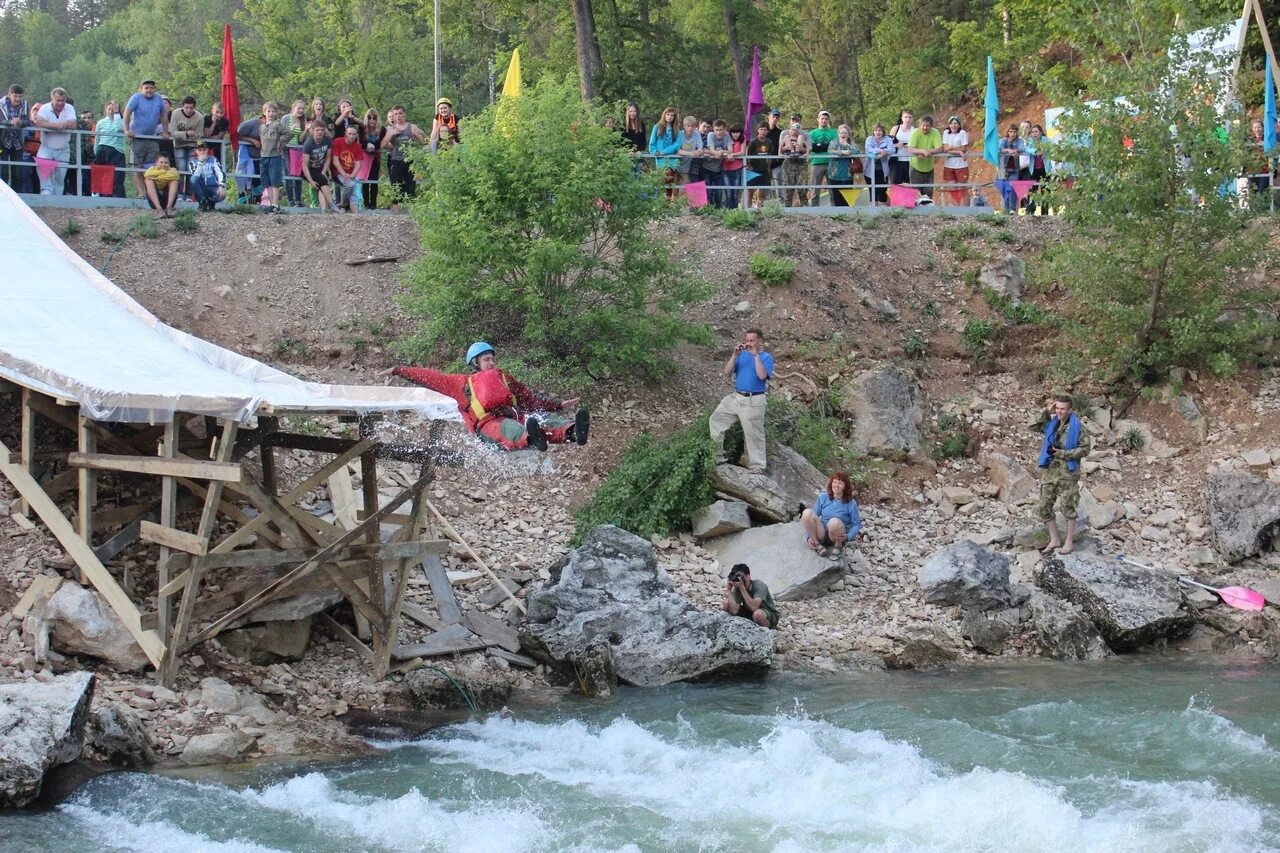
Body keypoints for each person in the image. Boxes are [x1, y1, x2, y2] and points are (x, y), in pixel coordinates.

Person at [377, 342, 589, 452]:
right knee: (511, 428)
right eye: (486, 359)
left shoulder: (504, 378)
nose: (491, 363)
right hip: (489, 428)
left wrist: (558, 405)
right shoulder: (460, 384)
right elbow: (430, 377)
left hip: (515, 418)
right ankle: (532, 438)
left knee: (544, 419)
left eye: (492, 359)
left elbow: (529, 400)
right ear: (475, 363)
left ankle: (572, 432)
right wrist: (398, 370)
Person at [709, 328, 773, 472]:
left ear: (760, 341)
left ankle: (757, 466)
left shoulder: (766, 357)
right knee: (716, 420)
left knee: (753, 434)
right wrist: (734, 355)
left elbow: (762, 376)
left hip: (754, 400)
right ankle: (718, 457)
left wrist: (755, 355)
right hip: (736, 397)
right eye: (747, 340)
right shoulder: (741, 356)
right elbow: (726, 372)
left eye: (752, 340)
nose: (749, 343)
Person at [1037, 395, 1089, 554]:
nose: (1059, 411)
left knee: (1068, 508)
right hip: (1051, 472)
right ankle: (1054, 539)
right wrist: (1047, 411)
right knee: (1044, 507)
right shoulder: (1052, 424)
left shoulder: (1078, 427)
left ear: (1070, 410)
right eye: (1057, 408)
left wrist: (1063, 453)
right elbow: (1033, 425)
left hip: (1067, 474)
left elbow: (1085, 449)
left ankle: (1069, 542)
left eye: (1062, 409)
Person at [123, 78, 169, 198]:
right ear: (141, 89)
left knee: (152, 166)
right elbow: (127, 112)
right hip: (137, 137)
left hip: (152, 137)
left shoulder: (158, 98)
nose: (149, 90)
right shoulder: (136, 97)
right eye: (146, 88)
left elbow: (164, 114)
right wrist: (127, 130)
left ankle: (151, 192)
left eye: (151, 88)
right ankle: (141, 193)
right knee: (137, 165)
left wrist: (165, 132)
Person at [801, 472, 862, 559]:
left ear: (845, 486)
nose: (836, 485)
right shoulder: (823, 498)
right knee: (807, 512)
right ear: (831, 483)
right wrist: (808, 537)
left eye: (840, 483)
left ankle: (838, 547)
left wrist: (848, 536)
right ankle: (817, 544)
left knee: (834, 521)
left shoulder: (851, 503)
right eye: (835, 482)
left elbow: (856, 524)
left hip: (836, 536)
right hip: (821, 533)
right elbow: (811, 519)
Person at [33, 87, 76, 195]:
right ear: (52, 98)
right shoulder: (44, 108)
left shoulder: (69, 108)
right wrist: (58, 126)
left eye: (63, 101)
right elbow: (39, 123)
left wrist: (50, 126)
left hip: (63, 149)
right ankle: (45, 199)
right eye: (58, 100)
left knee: (60, 177)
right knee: (44, 176)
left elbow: (73, 124)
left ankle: (58, 203)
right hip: (46, 148)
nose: (61, 103)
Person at [382, 104, 426, 206]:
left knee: (411, 187)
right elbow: (383, 144)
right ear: (393, 115)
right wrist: (392, 135)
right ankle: (396, 216)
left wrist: (418, 136)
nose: (398, 116)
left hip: (410, 160)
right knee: (396, 188)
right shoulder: (391, 128)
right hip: (396, 160)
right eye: (396, 114)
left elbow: (424, 141)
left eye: (400, 113)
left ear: (404, 114)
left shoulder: (412, 127)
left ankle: (411, 214)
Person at [721, 563, 779, 629]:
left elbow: (754, 607)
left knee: (757, 614)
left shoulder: (759, 585)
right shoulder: (738, 587)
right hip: (749, 613)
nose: (740, 580)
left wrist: (742, 588)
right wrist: (729, 590)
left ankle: (766, 631)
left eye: (741, 576)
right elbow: (734, 610)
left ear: (748, 576)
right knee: (726, 603)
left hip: (767, 614)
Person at [169, 95, 203, 197]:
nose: (188, 110)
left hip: (192, 146)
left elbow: (199, 135)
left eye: (191, 108)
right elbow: (173, 132)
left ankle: (188, 194)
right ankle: (179, 194)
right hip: (179, 146)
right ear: (183, 107)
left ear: (194, 108)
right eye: (186, 108)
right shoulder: (175, 114)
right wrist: (187, 134)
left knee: (190, 169)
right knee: (181, 168)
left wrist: (183, 135)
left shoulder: (199, 117)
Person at [300, 120, 338, 212]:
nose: (320, 132)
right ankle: (333, 205)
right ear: (313, 131)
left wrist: (324, 171)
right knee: (322, 181)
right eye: (317, 130)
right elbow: (304, 165)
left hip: (320, 168)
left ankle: (324, 210)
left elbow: (328, 157)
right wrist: (311, 181)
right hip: (308, 169)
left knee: (321, 186)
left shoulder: (327, 140)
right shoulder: (308, 144)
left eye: (322, 130)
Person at [257, 101, 287, 211]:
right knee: (266, 181)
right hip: (264, 156)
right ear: (264, 112)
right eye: (268, 111)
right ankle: (269, 204)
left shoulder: (278, 124)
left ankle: (275, 204)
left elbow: (288, 133)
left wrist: (281, 142)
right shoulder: (262, 127)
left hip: (275, 156)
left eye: (273, 111)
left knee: (275, 181)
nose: (270, 113)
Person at [1, 84, 32, 193]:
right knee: (2, 171)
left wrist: (20, 122)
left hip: (18, 142)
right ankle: (3, 196)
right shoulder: (1, 104)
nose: (18, 99)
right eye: (16, 96)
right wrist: (9, 122)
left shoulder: (25, 105)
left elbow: (28, 121)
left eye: (20, 96)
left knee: (18, 172)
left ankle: (16, 196)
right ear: (9, 95)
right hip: (3, 142)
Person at [94, 100, 127, 197]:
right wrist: (96, 152)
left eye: (113, 109)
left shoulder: (121, 121)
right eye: (109, 109)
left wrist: (117, 114)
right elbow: (97, 139)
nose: (110, 112)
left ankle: (117, 197)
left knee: (117, 177)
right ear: (105, 110)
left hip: (117, 151)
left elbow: (119, 129)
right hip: (102, 151)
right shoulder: (101, 123)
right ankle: (103, 197)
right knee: (103, 176)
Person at [906, 114, 943, 200]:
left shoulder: (935, 132)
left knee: (928, 194)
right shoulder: (915, 132)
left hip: (929, 168)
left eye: (927, 126)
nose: (925, 128)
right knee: (915, 194)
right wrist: (923, 151)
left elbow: (939, 148)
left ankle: (927, 212)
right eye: (923, 125)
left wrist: (929, 151)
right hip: (915, 167)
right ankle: (916, 213)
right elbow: (910, 149)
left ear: (931, 126)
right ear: (920, 125)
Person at [330, 122, 364, 211]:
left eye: (354, 134)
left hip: (350, 173)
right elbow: (335, 161)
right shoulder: (337, 142)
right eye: (349, 134)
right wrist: (344, 174)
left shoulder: (357, 146)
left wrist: (352, 175)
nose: (352, 136)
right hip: (338, 172)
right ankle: (343, 204)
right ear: (345, 133)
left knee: (353, 193)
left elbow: (358, 164)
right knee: (350, 185)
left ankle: (354, 213)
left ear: (356, 135)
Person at [648, 106, 681, 197]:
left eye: (672, 115)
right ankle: (660, 205)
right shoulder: (657, 127)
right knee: (661, 184)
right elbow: (652, 144)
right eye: (668, 114)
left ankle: (669, 205)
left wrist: (665, 151)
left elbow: (677, 144)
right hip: (661, 160)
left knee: (671, 184)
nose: (670, 117)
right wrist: (655, 152)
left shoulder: (677, 129)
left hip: (672, 160)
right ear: (664, 115)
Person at [826, 123, 860, 207]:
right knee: (837, 199)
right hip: (834, 175)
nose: (843, 134)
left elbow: (857, 152)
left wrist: (846, 145)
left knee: (847, 200)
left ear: (848, 135)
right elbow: (830, 152)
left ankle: (847, 216)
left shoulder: (851, 144)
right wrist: (843, 152)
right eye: (841, 133)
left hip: (847, 175)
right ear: (838, 134)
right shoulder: (833, 142)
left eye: (845, 133)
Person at [808, 109, 837, 206]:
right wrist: (825, 146)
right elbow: (813, 148)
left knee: (832, 188)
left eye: (826, 119)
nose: (824, 120)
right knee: (815, 188)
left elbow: (834, 146)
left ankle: (834, 208)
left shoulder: (833, 132)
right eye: (822, 118)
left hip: (831, 163)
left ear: (828, 121)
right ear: (818, 119)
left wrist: (820, 146)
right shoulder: (812, 133)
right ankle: (814, 209)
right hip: (816, 162)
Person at [778, 119, 809, 207]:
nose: (794, 132)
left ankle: (805, 208)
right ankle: (787, 209)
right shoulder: (786, 136)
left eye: (797, 130)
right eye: (793, 129)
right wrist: (788, 147)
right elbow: (781, 149)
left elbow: (808, 149)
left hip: (801, 164)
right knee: (788, 189)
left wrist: (799, 148)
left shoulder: (802, 138)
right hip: (789, 164)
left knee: (802, 188)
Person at [941, 116, 970, 206]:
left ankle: (967, 210)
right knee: (952, 189)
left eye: (955, 123)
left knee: (962, 189)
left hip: (961, 165)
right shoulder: (946, 133)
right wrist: (958, 151)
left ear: (959, 125)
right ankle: (955, 209)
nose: (953, 125)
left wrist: (952, 148)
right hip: (949, 165)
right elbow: (945, 149)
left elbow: (964, 148)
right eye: (951, 123)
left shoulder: (962, 133)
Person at [189, 140, 226, 210]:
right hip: (201, 188)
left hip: (213, 187)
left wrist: (221, 186)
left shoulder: (213, 159)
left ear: (207, 150)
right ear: (196, 151)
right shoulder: (193, 162)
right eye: (199, 150)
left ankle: (211, 202)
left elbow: (220, 173)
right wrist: (200, 162)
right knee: (193, 179)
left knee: (222, 195)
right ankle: (202, 201)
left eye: (204, 149)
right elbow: (195, 175)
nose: (202, 152)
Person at [1023, 123, 1051, 214]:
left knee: (1045, 190)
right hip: (1033, 169)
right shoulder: (1030, 141)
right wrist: (1035, 151)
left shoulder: (1046, 140)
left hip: (1045, 168)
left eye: (1036, 132)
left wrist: (1044, 150)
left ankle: (1045, 211)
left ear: (1041, 132)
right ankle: (1031, 210)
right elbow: (1027, 149)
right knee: (1032, 190)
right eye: (1032, 132)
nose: (1034, 134)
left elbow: (1051, 148)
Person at [236, 109, 262, 203]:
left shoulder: (273, 125)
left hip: (261, 157)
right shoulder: (251, 124)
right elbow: (237, 135)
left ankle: (256, 202)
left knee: (258, 181)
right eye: (269, 112)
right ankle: (242, 202)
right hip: (247, 157)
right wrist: (252, 140)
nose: (271, 115)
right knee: (243, 178)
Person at [704, 119, 732, 207]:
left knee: (719, 192)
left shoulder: (727, 136)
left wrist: (720, 152)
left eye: (720, 130)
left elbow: (730, 150)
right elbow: (711, 149)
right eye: (716, 130)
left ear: (724, 129)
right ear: (713, 129)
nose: (718, 132)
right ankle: (708, 210)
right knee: (708, 190)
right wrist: (717, 152)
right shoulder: (711, 135)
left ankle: (718, 210)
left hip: (719, 168)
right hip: (707, 167)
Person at [864, 123, 894, 204]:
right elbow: (868, 149)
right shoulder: (869, 139)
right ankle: (873, 209)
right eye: (876, 130)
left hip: (883, 170)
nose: (878, 132)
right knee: (872, 190)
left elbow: (892, 149)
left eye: (879, 130)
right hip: (870, 170)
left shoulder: (887, 139)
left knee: (882, 190)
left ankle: (883, 210)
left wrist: (885, 152)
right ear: (873, 131)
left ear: (883, 132)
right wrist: (881, 151)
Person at [745, 122, 773, 208]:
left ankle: (760, 209)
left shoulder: (769, 142)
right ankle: (748, 208)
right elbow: (747, 155)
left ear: (767, 131)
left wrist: (768, 168)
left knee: (761, 192)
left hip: (764, 169)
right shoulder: (753, 141)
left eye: (765, 130)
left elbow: (770, 155)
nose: (763, 131)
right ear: (758, 130)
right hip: (753, 169)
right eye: (761, 129)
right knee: (750, 192)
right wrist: (749, 167)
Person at [998, 124, 1024, 213]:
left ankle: (1012, 209)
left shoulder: (1019, 141)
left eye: (1014, 132)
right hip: (1003, 168)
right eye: (1011, 131)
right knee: (1004, 188)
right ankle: (1006, 209)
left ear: (1017, 133)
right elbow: (1000, 149)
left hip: (1014, 168)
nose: (1012, 134)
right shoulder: (1004, 140)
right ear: (1008, 132)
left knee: (1013, 187)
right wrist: (1008, 150)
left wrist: (1016, 150)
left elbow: (1022, 148)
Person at [143, 151, 179, 215]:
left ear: (169, 163)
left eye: (166, 162)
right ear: (156, 163)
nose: (163, 165)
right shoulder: (152, 169)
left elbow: (175, 176)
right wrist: (163, 172)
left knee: (174, 181)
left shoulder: (173, 170)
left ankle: (169, 208)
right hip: (154, 203)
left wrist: (156, 178)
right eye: (161, 162)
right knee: (148, 181)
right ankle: (159, 209)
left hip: (168, 200)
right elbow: (147, 174)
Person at [362, 108, 384, 209]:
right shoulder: (362, 129)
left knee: (374, 180)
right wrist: (367, 144)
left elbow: (381, 143)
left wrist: (373, 145)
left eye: (374, 118)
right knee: (365, 180)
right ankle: (366, 204)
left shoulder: (382, 130)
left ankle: (373, 204)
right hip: (365, 157)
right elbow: (361, 141)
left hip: (375, 157)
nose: (372, 120)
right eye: (369, 118)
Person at [888, 109, 915, 185]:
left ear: (913, 119)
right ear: (902, 118)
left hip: (911, 162)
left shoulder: (915, 131)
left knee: (910, 186)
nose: (908, 119)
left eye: (910, 117)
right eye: (906, 117)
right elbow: (887, 145)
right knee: (895, 185)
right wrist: (897, 145)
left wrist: (911, 146)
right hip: (896, 161)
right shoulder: (895, 129)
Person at [675, 115, 702, 186]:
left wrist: (698, 152)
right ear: (684, 126)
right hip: (675, 165)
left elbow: (700, 148)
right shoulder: (679, 134)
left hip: (686, 168)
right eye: (688, 126)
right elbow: (677, 150)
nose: (690, 128)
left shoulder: (697, 134)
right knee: (673, 191)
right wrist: (690, 153)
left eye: (692, 126)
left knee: (683, 190)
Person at [723, 124, 745, 209]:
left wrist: (732, 155)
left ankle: (735, 212)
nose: (735, 134)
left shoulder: (742, 140)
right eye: (733, 132)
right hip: (726, 169)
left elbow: (742, 152)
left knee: (735, 193)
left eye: (737, 132)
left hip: (737, 169)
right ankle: (728, 212)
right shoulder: (726, 138)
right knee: (728, 193)